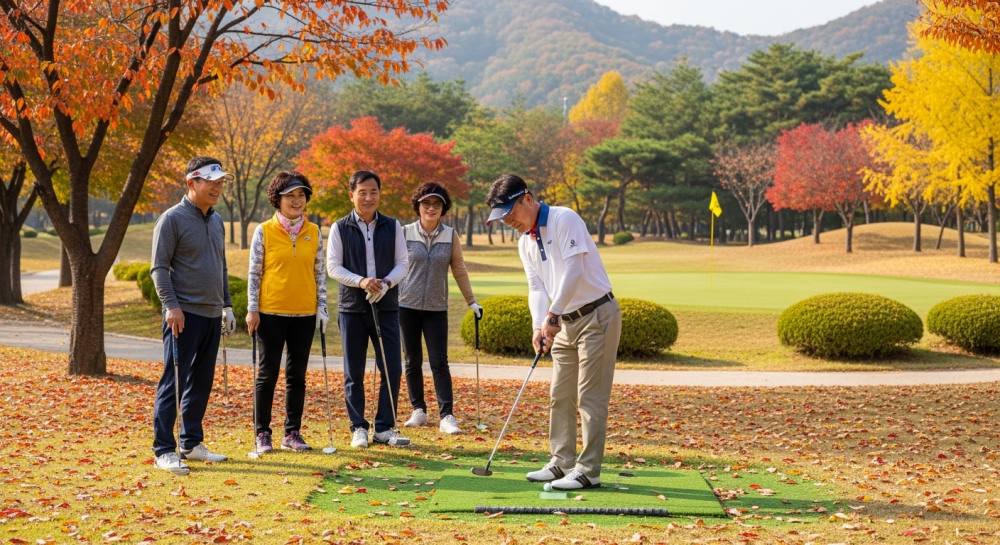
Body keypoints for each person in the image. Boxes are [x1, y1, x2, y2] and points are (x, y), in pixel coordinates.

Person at [485, 174, 621, 491]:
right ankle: (562, 463)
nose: (508, 221)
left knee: (590, 398)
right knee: (560, 395)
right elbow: (536, 286)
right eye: (502, 217)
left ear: (527, 199)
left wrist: (552, 314)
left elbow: (573, 270)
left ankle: (589, 470)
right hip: (563, 323)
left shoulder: (564, 219)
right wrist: (538, 323)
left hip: (596, 315)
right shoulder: (524, 242)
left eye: (510, 213)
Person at [150, 156, 236, 475]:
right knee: (173, 382)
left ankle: (191, 442)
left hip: (212, 314)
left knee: (201, 382)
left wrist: (226, 305)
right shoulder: (171, 219)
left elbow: (221, 266)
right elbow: (159, 268)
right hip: (182, 315)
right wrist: (171, 306)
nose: (217, 187)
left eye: (220, 182)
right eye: (210, 182)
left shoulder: (216, 221)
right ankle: (164, 449)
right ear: (192, 183)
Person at [326, 170, 410, 448]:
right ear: (351, 195)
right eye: (362, 192)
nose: (368, 197)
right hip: (352, 308)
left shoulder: (392, 225)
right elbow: (333, 267)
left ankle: (385, 427)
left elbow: (402, 263)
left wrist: (385, 283)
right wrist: (362, 282)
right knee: (354, 370)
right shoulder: (340, 227)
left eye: (373, 191)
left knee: (392, 367)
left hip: (386, 305)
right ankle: (358, 426)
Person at [245, 171, 328, 453]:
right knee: (267, 374)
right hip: (270, 312)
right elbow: (254, 273)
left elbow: (320, 274)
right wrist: (252, 309)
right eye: (290, 196)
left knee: (297, 376)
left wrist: (323, 309)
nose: (296, 200)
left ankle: (292, 432)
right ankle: (262, 433)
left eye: (301, 195)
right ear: (277, 200)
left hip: (304, 313)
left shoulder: (314, 231)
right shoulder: (264, 231)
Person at [398, 182, 483, 435]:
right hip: (406, 306)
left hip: (436, 308)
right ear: (418, 206)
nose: (431, 208)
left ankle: (447, 415)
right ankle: (419, 410)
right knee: (412, 361)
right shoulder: (404, 233)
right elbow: (395, 267)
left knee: (439, 362)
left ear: (443, 208)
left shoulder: (450, 235)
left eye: (436, 204)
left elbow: (459, 269)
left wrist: (472, 301)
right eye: (426, 203)